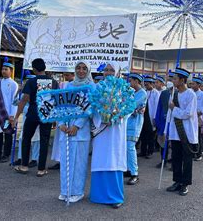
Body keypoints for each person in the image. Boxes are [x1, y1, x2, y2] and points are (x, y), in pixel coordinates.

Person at [90, 61, 128, 209]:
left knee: (114, 159)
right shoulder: (98, 87)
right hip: (101, 130)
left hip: (115, 131)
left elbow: (129, 107)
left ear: (117, 72)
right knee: (101, 158)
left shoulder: (123, 88)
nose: (108, 73)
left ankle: (115, 196)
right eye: (106, 70)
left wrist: (118, 115)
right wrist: (101, 115)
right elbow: (92, 106)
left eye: (111, 70)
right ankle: (98, 195)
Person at [13, 58, 59, 177]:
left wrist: (17, 116)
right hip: (47, 114)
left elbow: (24, 100)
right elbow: (56, 101)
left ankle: (24, 166)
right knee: (44, 141)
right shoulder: (54, 82)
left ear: (34, 69)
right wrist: (55, 118)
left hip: (33, 112)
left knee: (26, 138)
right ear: (44, 67)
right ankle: (41, 169)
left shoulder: (31, 82)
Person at [57, 61, 94, 203]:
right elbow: (60, 105)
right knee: (66, 161)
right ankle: (65, 190)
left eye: (84, 68)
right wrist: (60, 123)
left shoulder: (91, 87)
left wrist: (77, 125)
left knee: (79, 163)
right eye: (78, 68)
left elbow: (89, 108)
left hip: (80, 132)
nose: (81, 71)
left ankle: (77, 191)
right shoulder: (68, 85)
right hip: (65, 130)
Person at [165, 67, 198, 196]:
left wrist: (174, 109)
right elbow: (169, 112)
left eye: (175, 79)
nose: (173, 81)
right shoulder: (174, 93)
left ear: (182, 80)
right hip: (174, 131)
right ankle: (177, 181)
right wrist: (166, 129)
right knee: (176, 158)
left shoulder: (191, 95)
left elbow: (188, 114)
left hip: (186, 132)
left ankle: (185, 184)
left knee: (187, 159)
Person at [49, 72, 75, 170]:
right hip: (62, 117)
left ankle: (68, 162)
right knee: (61, 140)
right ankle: (60, 160)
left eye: (68, 75)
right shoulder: (63, 85)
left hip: (72, 117)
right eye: (65, 75)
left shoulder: (78, 85)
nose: (66, 77)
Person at [14, 73, 39, 168]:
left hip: (35, 120)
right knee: (22, 139)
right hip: (25, 121)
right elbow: (15, 102)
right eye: (26, 81)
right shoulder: (23, 95)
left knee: (36, 140)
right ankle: (21, 158)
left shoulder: (37, 95)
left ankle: (34, 159)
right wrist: (17, 92)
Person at [125, 73, 147, 185]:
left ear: (136, 81)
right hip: (127, 122)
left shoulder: (142, 93)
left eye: (131, 81)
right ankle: (129, 169)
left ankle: (135, 173)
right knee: (125, 147)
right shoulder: (131, 91)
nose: (129, 83)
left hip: (134, 123)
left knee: (130, 147)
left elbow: (130, 105)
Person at [139, 76, 159, 159]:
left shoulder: (156, 93)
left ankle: (150, 151)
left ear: (151, 84)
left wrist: (154, 118)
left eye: (147, 85)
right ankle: (143, 151)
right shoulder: (144, 92)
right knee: (143, 134)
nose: (146, 86)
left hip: (151, 116)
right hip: (144, 116)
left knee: (151, 135)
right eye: (145, 85)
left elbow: (157, 106)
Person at [154, 75, 172, 168]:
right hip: (163, 121)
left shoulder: (178, 93)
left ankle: (174, 162)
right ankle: (163, 160)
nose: (169, 81)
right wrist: (157, 119)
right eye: (169, 79)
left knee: (174, 143)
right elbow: (159, 107)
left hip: (174, 123)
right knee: (162, 142)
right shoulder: (164, 93)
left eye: (171, 79)